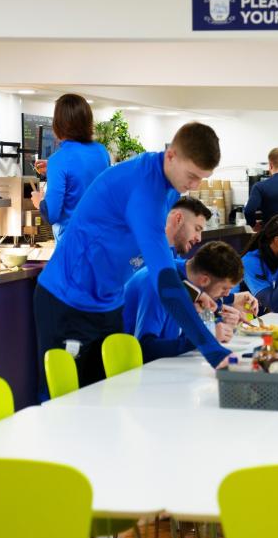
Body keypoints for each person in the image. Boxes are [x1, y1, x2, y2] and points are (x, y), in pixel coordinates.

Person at [34, 122, 231, 395]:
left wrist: (193, 289)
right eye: (192, 176)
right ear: (171, 155)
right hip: (68, 299)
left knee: (110, 397)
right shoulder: (144, 192)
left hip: (107, 301)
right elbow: (164, 281)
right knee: (65, 403)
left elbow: (158, 258)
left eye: (201, 178)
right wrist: (212, 350)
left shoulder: (170, 183)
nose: (193, 186)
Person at [124, 242, 243, 362]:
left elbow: (182, 337)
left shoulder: (190, 282)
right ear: (205, 280)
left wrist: (220, 323)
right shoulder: (158, 283)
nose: (227, 294)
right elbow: (145, 348)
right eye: (224, 288)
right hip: (129, 371)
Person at [30, 94, 110, 240]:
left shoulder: (59, 160)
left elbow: (52, 214)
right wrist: (53, 168)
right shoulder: (101, 151)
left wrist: (39, 202)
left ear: (58, 124)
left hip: (73, 243)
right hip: (99, 237)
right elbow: (86, 176)